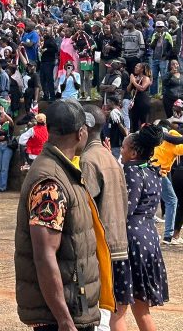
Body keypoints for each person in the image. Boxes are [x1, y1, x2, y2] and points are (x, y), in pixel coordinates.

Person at [15, 99, 112, 331]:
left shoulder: (64, 170)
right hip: (61, 315)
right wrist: (64, 319)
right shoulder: (50, 181)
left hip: (74, 303)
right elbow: (44, 254)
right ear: (81, 133)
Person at [111, 125, 169, 331]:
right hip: (149, 238)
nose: (121, 152)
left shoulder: (132, 171)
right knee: (141, 309)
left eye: (124, 148)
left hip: (131, 241)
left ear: (134, 152)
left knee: (118, 310)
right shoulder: (152, 171)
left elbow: (126, 209)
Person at [80, 104, 129, 331]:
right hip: (119, 245)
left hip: (102, 249)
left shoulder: (88, 160)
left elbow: (84, 211)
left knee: (99, 320)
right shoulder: (110, 157)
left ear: (85, 128)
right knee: (111, 316)